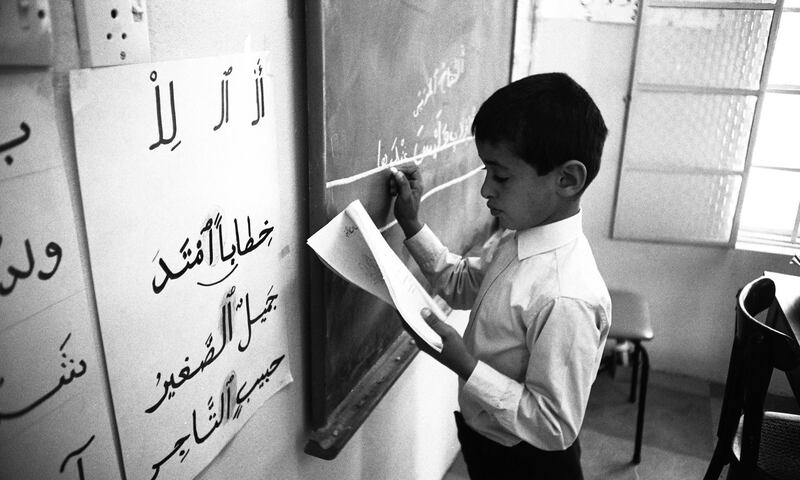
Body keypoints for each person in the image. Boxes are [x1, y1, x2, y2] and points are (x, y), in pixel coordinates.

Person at [388, 72, 611, 480]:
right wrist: (412, 225)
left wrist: (467, 366)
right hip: (488, 440)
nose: (485, 190)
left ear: (567, 179)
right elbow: (461, 283)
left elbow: (555, 426)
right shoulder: (518, 238)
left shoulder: (566, 297)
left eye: (501, 175)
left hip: (529, 464)